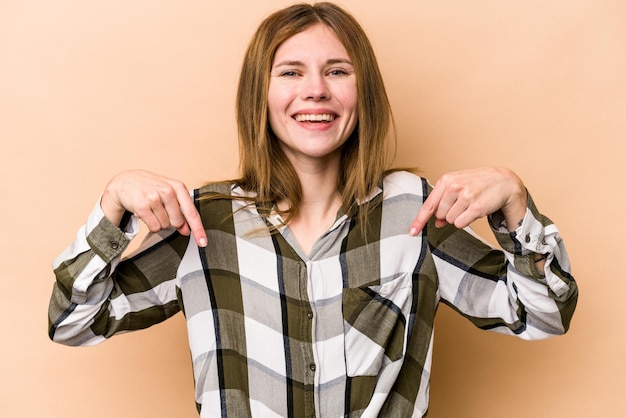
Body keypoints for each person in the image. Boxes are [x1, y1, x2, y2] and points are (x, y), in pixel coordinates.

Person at [48, 2, 578, 417]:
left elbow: (543, 314)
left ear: (361, 91)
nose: (316, 91)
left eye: (337, 71)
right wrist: (112, 204)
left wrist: (515, 203)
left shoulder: (414, 212)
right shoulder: (205, 223)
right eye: (291, 72)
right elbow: (73, 322)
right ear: (261, 94)